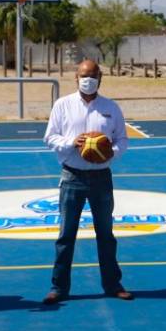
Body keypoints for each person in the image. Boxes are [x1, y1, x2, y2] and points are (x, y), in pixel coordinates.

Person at [41, 59, 133, 304]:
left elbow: (122, 140)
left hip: (101, 177)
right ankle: (59, 288)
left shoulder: (111, 107)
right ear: (76, 77)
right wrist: (72, 142)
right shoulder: (63, 105)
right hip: (72, 176)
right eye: (84, 75)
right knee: (66, 235)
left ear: (100, 78)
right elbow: (50, 138)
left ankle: (113, 284)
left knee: (105, 234)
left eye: (92, 75)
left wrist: (110, 152)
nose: (88, 80)